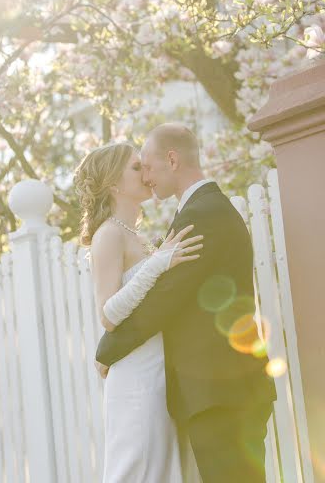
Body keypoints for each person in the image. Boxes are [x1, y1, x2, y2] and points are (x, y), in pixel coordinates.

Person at [95, 123, 277, 483]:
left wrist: (109, 349)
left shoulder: (203, 213)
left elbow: (167, 297)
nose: (147, 177)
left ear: (172, 160)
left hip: (221, 390)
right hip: (217, 390)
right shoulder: (200, 209)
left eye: (147, 166)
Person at [74, 141, 203, 482]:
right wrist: (158, 263)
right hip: (136, 378)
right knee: (135, 470)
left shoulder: (137, 236)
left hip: (158, 371)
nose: (146, 174)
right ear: (114, 183)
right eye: (136, 167)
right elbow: (108, 314)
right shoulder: (109, 236)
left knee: (163, 472)